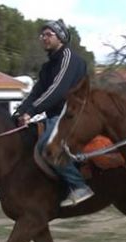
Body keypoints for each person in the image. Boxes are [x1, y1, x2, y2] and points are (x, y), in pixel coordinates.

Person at [14, 19, 93, 207]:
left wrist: (31, 112)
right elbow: (36, 91)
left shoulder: (68, 58)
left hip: (73, 116)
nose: (44, 38)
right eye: (42, 35)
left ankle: (78, 185)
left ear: (61, 38)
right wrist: (20, 112)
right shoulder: (47, 67)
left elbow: (58, 90)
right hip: (55, 118)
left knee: (48, 147)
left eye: (49, 34)